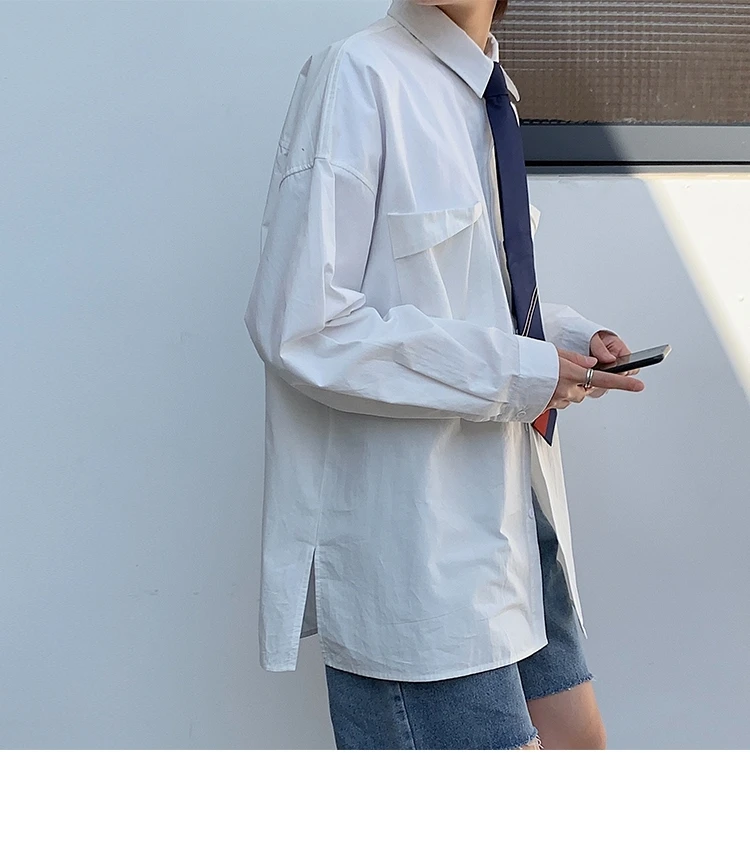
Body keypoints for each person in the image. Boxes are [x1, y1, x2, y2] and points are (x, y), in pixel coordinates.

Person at [244, 0, 645, 750]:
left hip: (512, 510)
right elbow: (302, 325)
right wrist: (518, 371)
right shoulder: (358, 74)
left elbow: (465, 292)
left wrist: (563, 341)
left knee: (580, 751)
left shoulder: (491, 92)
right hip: (418, 541)